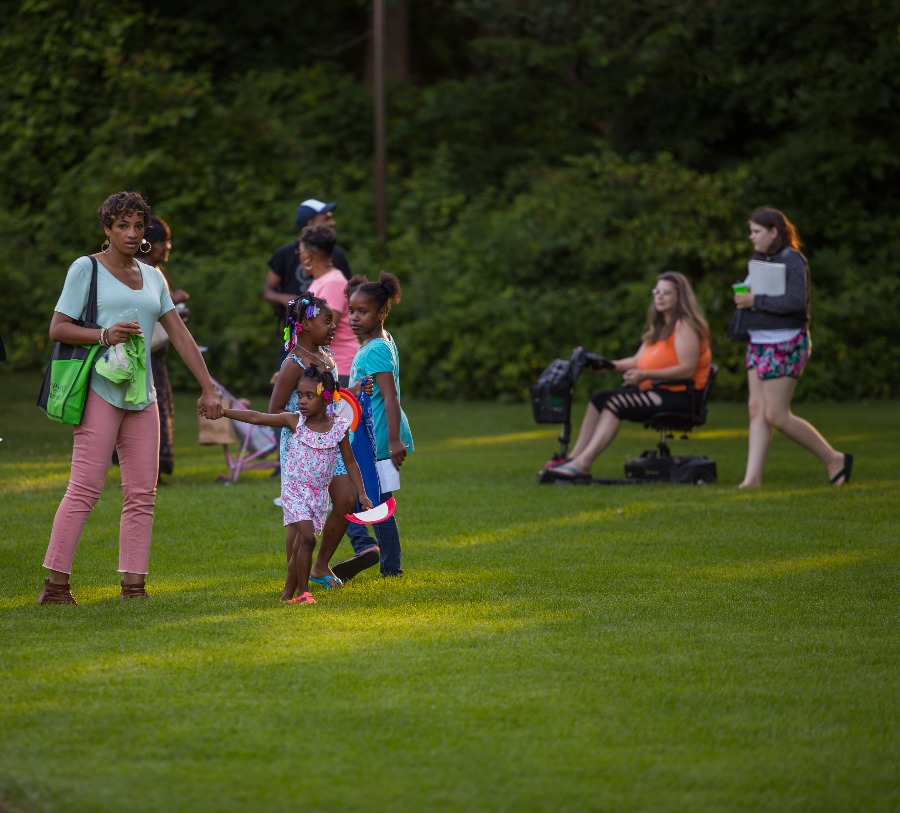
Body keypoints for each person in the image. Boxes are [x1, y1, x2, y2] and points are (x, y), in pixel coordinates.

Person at [39, 191, 222, 605]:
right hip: (100, 390)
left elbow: (180, 335)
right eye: (122, 224)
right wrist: (104, 334)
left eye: (138, 225)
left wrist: (208, 386)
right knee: (85, 488)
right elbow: (58, 328)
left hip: (143, 394)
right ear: (107, 228)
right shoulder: (86, 269)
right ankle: (55, 587)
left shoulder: (154, 277)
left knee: (142, 492)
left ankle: (134, 587)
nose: (131, 232)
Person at [209, 364, 372, 605]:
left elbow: (350, 462)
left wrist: (362, 494)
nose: (301, 402)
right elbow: (256, 417)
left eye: (309, 396)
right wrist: (223, 412)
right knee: (307, 538)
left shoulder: (338, 428)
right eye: (299, 395)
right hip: (295, 492)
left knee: (301, 544)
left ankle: (288, 593)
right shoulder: (295, 421)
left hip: (318, 496)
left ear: (326, 399)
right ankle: (304, 592)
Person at [549, 271, 712, 480]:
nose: (659, 297)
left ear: (680, 297)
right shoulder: (659, 328)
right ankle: (572, 458)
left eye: (666, 293)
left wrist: (645, 375)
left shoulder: (685, 326)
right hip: (658, 392)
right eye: (657, 292)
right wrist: (608, 365)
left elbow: (687, 369)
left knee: (617, 403)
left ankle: (583, 463)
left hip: (681, 396)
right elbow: (637, 360)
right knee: (599, 399)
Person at [268, 293, 379, 598]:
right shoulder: (293, 363)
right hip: (301, 446)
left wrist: (352, 390)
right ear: (304, 324)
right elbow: (274, 408)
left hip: (330, 440)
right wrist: (302, 421)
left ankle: (319, 567)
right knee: (300, 519)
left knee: (344, 500)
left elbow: (329, 396)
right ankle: (293, 585)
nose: (334, 326)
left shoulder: (327, 356)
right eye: (327, 320)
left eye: (334, 321)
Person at [732, 207, 852, 487]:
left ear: (774, 232)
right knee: (756, 409)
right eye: (751, 231)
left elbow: (796, 303)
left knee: (776, 414)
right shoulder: (759, 260)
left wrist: (755, 301)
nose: (752, 237)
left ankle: (834, 459)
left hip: (785, 343)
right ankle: (752, 480)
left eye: (756, 232)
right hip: (758, 343)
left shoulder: (793, 260)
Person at [332, 272, 413, 579]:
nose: (353, 318)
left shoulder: (376, 348)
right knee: (380, 502)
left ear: (381, 312)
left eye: (362, 312)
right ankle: (390, 565)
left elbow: (390, 396)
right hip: (377, 435)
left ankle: (367, 548)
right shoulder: (380, 341)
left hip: (378, 439)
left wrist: (393, 441)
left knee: (354, 496)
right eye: (351, 311)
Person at [262, 198, 352, 369]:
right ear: (310, 223)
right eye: (326, 218)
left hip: (323, 352)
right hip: (299, 337)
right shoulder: (285, 254)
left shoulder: (334, 273)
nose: (332, 222)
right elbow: (267, 290)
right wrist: (286, 300)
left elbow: (328, 324)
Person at [139, 215, 190, 483]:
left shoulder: (154, 271)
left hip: (156, 356)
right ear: (148, 244)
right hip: (143, 357)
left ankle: (154, 473)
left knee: (160, 411)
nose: (167, 247)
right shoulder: (143, 272)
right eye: (163, 242)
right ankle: (147, 472)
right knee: (150, 412)